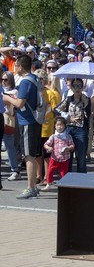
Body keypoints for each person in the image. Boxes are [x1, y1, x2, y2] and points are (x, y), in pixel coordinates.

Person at [2, 54, 42, 198]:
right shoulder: (34, 78)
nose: (15, 68)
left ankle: (30, 188)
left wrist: (6, 98)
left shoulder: (25, 81)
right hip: (34, 121)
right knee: (32, 154)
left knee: (28, 156)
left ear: (20, 66)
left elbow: (20, 104)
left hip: (27, 122)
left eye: (16, 65)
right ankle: (34, 186)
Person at [54, 78, 91, 173]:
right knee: (68, 156)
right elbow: (56, 109)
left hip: (81, 130)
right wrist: (67, 117)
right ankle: (68, 177)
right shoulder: (69, 99)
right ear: (71, 87)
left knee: (81, 156)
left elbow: (88, 115)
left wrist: (85, 104)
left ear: (82, 87)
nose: (77, 88)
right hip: (69, 129)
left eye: (79, 86)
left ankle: (81, 178)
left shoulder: (86, 99)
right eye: (75, 86)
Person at [42, 117, 75, 191]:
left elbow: (72, 146)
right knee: (50, 171)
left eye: (61, 125)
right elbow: (46, 144)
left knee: (64, 173)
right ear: (55, 126)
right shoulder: (53, 136)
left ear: (65, 126)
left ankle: (63, 186)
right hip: (54, 158)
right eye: (58, 125)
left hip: (64, 158)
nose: (59, 127)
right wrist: (48, 148)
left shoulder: (68, 136)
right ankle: (48, 184)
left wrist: (68, 148)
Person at [2, 71, 20, 181]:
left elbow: (13, 107)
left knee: (10, 147)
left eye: (6, 79)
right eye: (2, 79)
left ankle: (15, 170)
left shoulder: (15, 92)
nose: (3, 82)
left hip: (9, 120)